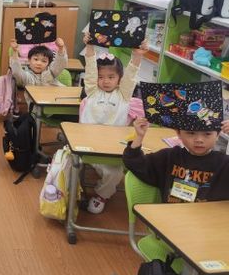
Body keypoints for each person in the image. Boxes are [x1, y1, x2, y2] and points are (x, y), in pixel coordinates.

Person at [81, 33, 148, 213]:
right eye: (101, 77)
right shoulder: (92, 91)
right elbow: (90, 69)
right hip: (89, 144)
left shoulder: (123, 95)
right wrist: (90, 46)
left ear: (119, 78)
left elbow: (131, 74)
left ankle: (101, 195)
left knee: (114, 172)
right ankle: (74, 188)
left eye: (111, 77)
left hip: (113, 147)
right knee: (74, 163)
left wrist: (137, 55)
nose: (105, 81)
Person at [124, 117, 229, 202]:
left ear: (217, 135)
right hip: (172, 217)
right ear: (179, 133)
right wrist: (139, 136)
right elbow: (134, 162)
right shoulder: (169, 157)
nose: (199, 140)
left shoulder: (223, 163)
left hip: (209, 219)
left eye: (207, 134)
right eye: (191, 133)